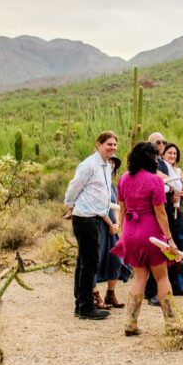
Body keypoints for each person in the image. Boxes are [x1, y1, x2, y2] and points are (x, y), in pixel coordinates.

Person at [114, 141, 183, 335]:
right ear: (150, 159)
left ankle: (131, 322)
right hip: (150, 232)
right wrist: (169, 239)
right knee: (161, 276)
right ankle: (171, 322)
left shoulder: (124, 179)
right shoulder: (155, 180)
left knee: (139, 277)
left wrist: (122, 232)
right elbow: (160, 213)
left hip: (130, 231)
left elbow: (122, 209)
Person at [63, 131, 119, 320]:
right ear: (98, 144)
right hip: (85, 218)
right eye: (108, 144)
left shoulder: (106, 167)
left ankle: (81, 303)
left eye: (114, 145)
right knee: (89, 263)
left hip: (96, 217)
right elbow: (74, 186)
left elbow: (101, 196)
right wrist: (70, 206)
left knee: (85, 262)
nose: (112, 147)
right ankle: (86, 306)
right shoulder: (89, 165)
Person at [144, 132, 183, 303]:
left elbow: (177, 183)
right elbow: (159, 183)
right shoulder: (150, 163)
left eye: (163, 141)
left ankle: (177, 284)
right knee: (159, 249)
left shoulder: (164, 163)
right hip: (158, 209)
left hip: (173, 210)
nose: (161, 144)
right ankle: (153, 291)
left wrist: (177, 191)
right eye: (158, 142)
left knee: (180, 245)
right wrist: (172, 189)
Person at [93, 155, 132, 310]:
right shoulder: (97, 184)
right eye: (109, 162)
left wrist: (116, 224)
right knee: (96, 259)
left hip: (111, 228)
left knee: (115, 259)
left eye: (114, 163)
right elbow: (99, 206)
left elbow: (116, 205)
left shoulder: (113, 186)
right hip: (99, 225)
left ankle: (111, 293)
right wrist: (110, 224)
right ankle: (95, 295)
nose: (112, 165)